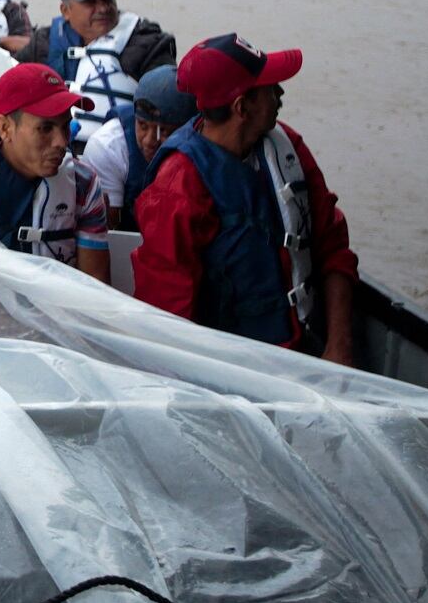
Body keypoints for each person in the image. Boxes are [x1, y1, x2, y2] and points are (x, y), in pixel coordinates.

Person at [131, 34, 358, 363]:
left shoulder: (287, 147)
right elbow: (168, 315)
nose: (280, 94)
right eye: (269, 88)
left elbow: (333, 247)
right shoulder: (178, 186)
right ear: (242, 108)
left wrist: (339, 346)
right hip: (237, 371)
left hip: (310, 351)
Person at [0, 64, 111, 281]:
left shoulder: (85, 184)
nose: (62, 142)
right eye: (45, 128)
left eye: (65, 126)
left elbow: (96, 284)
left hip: (57, 311)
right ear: (5, 128)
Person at [11, 0, 175, 146]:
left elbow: (170, 104)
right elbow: (9, 90)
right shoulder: (44, 43)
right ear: (65, 10)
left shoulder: (146, 42)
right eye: (91, 1)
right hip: (55, 158)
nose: (103, 8)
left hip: (120, 161)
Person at [80, 64, 193, 229]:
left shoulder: (204, 144)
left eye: (165, 132)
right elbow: (109, 235)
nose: (149, 141)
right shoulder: (108, 145)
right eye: (142, 125)